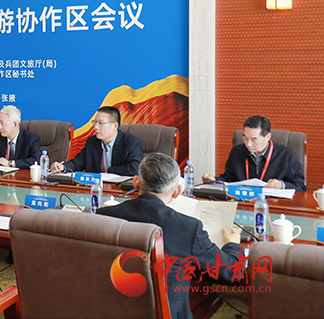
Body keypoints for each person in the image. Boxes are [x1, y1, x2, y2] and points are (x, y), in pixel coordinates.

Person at [99, 153, 245, 319]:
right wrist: (233, 244)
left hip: (112, 310)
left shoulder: (103, 215)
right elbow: (233, 271)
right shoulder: (187, 228)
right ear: (177, 191)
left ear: (136, 183)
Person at [202, 115, 306, 191]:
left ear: (268, 137)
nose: (248, 144)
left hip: (273, 205)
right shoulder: (237, 152)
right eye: (245, 138)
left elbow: (300, 187)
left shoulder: (287, 155)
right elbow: (229, 179)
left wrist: (281, 185)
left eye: (254, 139)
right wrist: (214, 180)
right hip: (242, 202)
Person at [50, 106, 142, 175]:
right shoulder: (92, 142)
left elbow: (135, 169)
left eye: (101, 123)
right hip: (94, 189)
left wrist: (110, 171)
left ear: (115, 126)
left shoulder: (131, 142)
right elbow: (77, 163)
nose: (96, 127)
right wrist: (62, 167)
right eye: (95, 122)